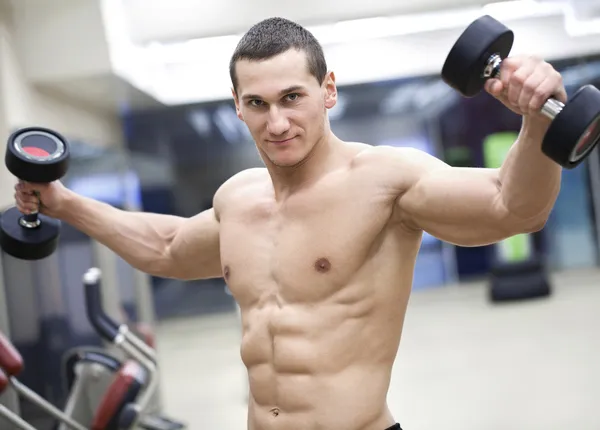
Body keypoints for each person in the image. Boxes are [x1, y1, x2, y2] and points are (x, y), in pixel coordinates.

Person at [14, 16, 566, 430]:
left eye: (292, 98)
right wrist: (64, 202)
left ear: (327, 90)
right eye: (257, 103)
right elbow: (170, 246)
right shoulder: (238, 199)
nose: (276, 122)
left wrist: (540, 117)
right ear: (236, 105)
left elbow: (513, 207)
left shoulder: (384, 179)